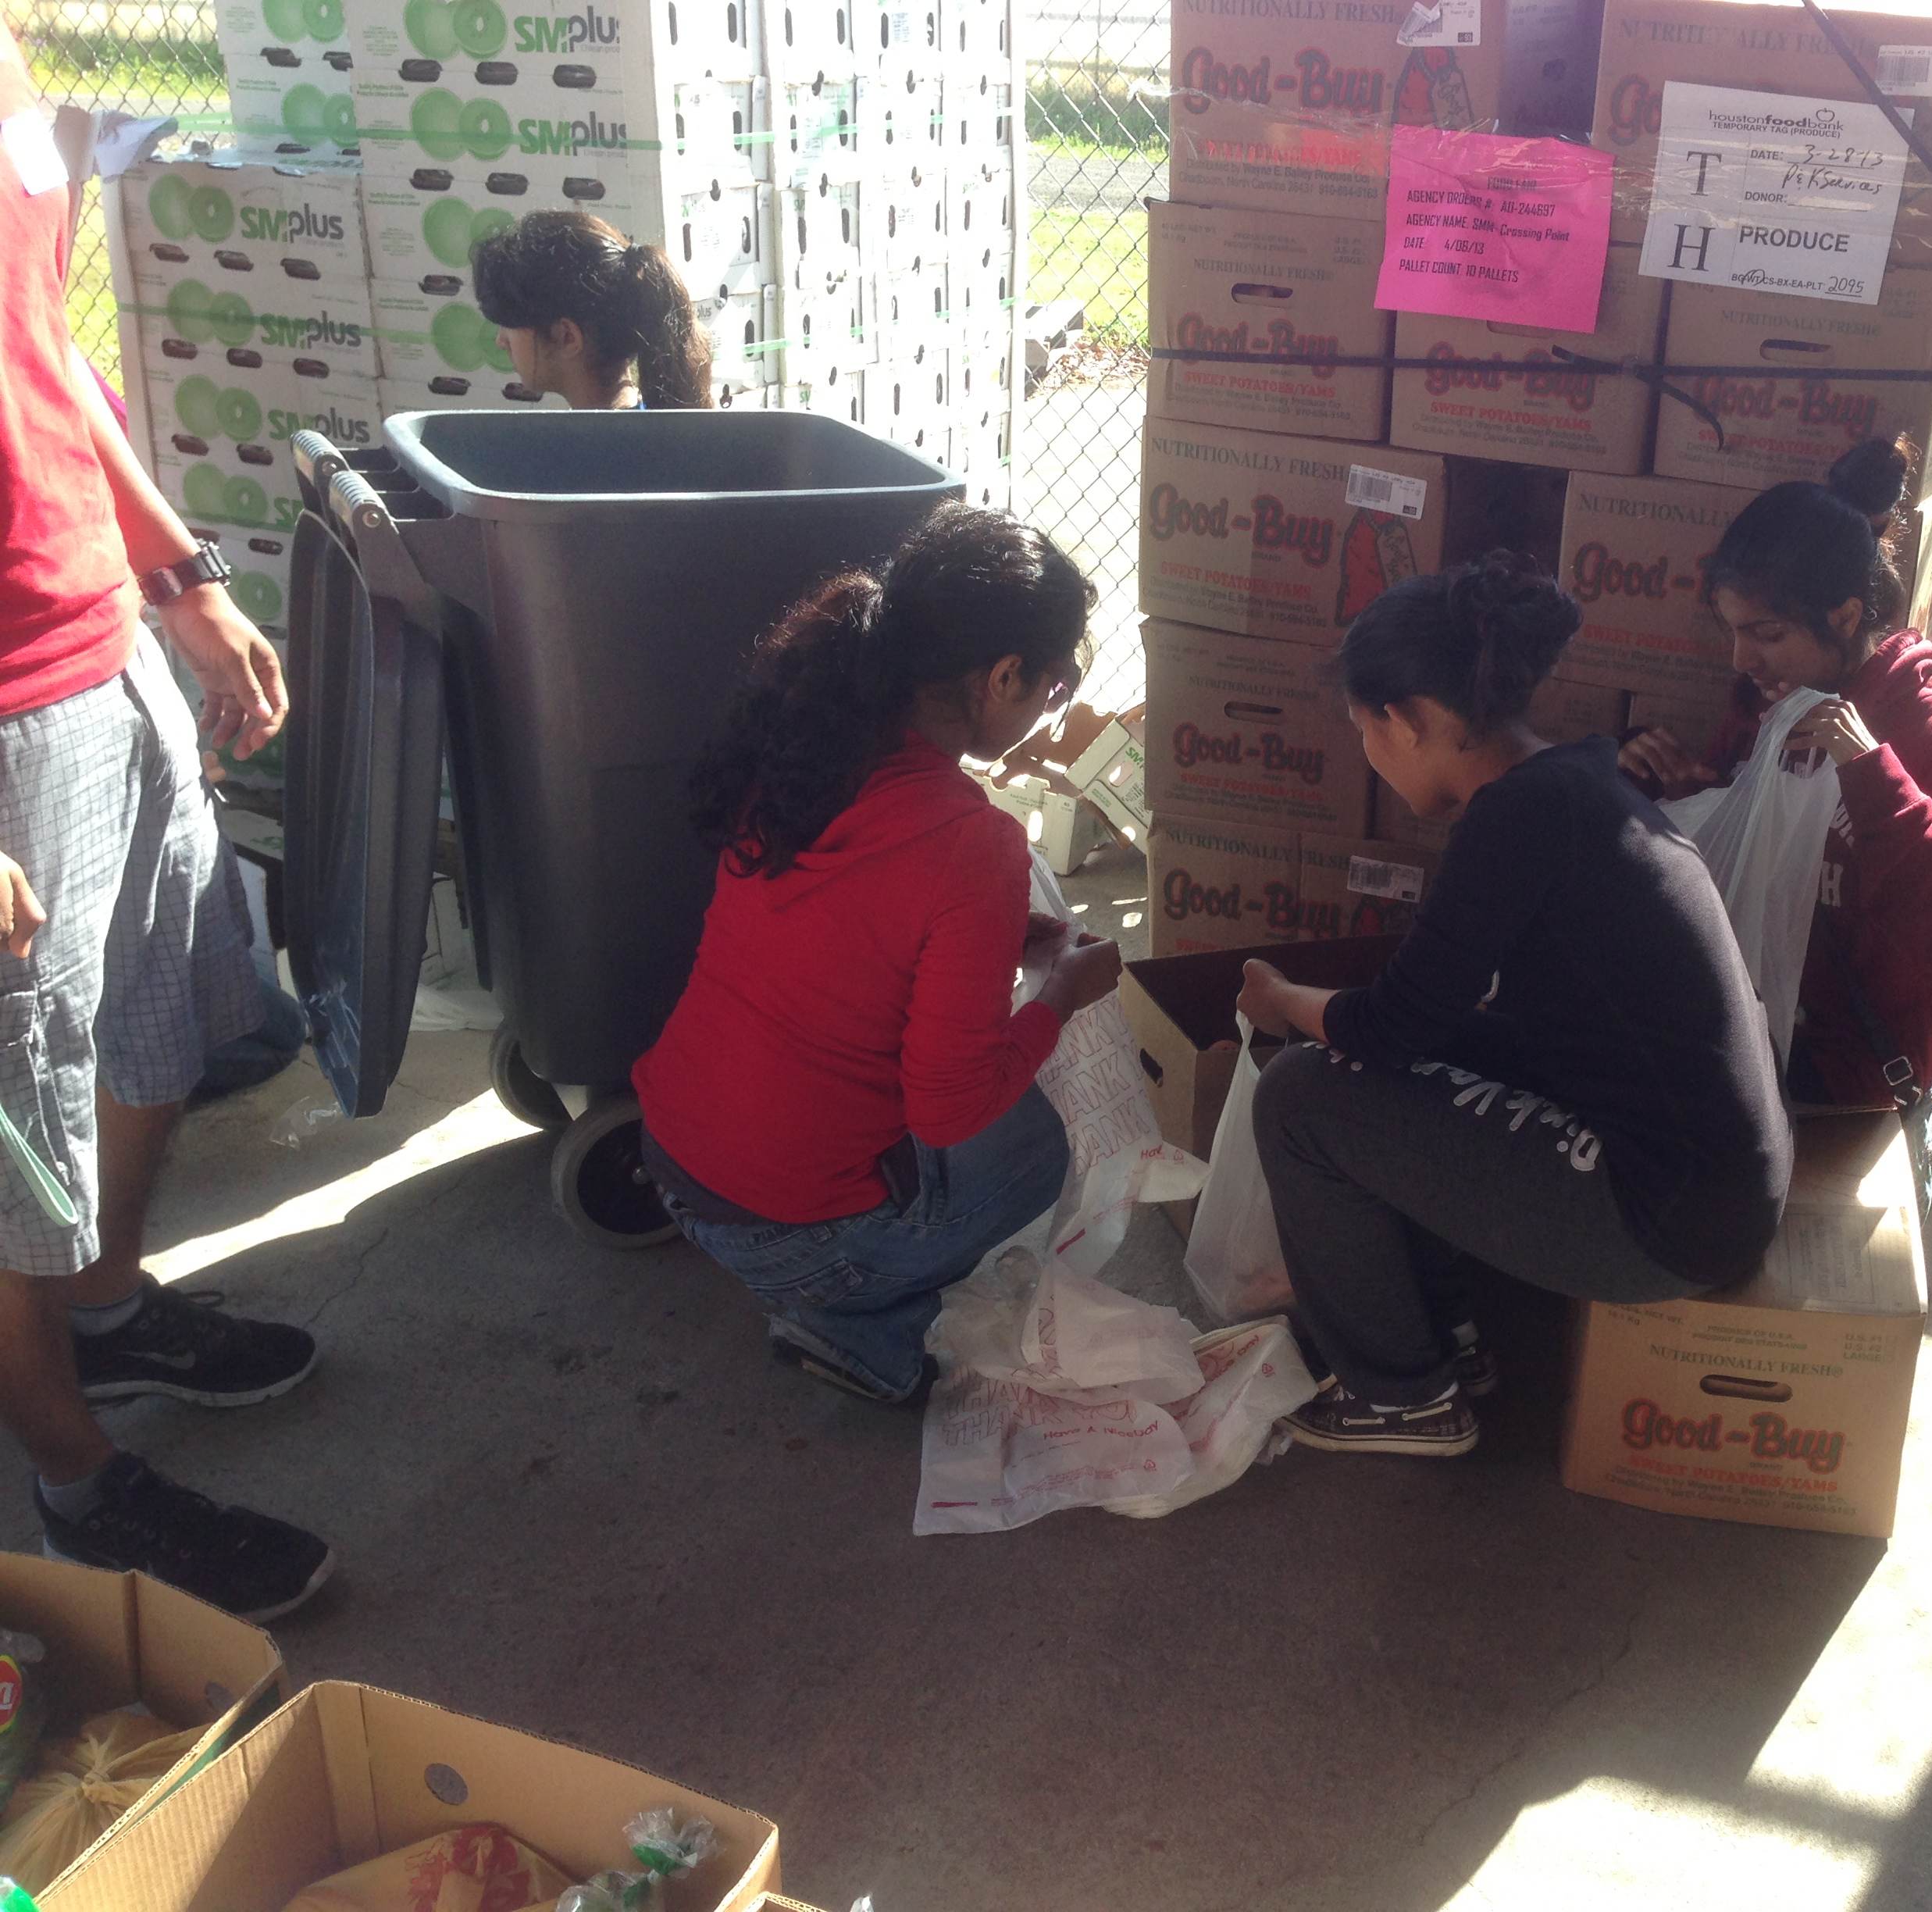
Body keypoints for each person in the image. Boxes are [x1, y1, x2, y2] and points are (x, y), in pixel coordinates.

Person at [2, 25, 332, 1618]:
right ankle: (74, 1476)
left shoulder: (13, 67)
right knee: (12, 1123)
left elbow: (40, 350)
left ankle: (107, 1309)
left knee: (153, 1018)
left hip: (96, 636)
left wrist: (179, 576)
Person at [1235, 555, 1794, 1458]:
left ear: (1408, 720)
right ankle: (1445, 1335)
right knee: (1415, 1057)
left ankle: (1402, 1396)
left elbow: (1390, 1026)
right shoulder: (1580, 782)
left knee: (1300, 1095)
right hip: (1719, 1183)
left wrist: (1279, 998)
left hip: (1666, 1220)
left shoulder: (1512, 820)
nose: (1369, 754)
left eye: (1365, 732)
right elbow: (1444, 1023)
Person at [633, 506, 1121, 1404]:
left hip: (671, 1156)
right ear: (1003, 676)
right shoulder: (971, 842)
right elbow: (948, 1107)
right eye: (1054, 688)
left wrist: (999, 937)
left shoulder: (806, 747)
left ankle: (824, 1274)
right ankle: (857, 1328)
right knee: (1043, 1142)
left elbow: (849, 932)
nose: (1050, 710)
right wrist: (1061, 992)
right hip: (788, 1236)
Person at [1619, 439, 1932, 1142]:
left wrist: (1873, 776)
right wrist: (1694, 797)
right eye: (1733, 633)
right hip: (1747, 1036)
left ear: (1847, 617)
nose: (1742, 658)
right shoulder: (1764, 710)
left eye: (1767, 634)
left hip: (1852, 1077)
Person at [469, 209, 714, 411]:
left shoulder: (591, 451)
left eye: (508, 324)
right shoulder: (648, 434)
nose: (501, 340)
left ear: (567, 337)